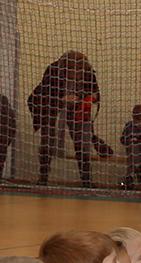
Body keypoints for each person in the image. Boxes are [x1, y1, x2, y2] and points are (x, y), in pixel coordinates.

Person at [30, 50, 107, 187]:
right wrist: (62, 99)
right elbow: (43, 93)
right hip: (53, 107)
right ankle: (43, 176)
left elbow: (96, 94)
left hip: (77, 110)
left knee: (82, 143)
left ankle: (86, 179)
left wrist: (90, 98)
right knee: (47, 140)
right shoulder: (53, 70)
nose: (77, 74)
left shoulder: (88, 73)